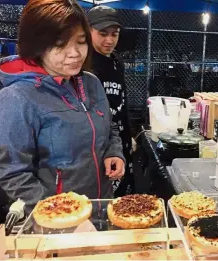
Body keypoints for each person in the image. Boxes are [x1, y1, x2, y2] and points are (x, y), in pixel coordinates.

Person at [0, 0, 125, 213]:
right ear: (36, 45)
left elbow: (110, 129)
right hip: (55, 222)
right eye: (60, 44)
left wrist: (114, 152)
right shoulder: (17, 97)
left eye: (81, 42)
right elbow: (14, 175)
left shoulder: (91, 82)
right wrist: (62, 217)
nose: (75, 53)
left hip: (101, 206)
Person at [87, 6, 134, 196]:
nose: (109, 40)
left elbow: (121, 102)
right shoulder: (84, 63)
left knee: (124, 197)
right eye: (102, 33)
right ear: (88, 30)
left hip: (120, 139)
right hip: (99, 146)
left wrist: (128, 135)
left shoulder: (116, 61)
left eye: (114, 34)